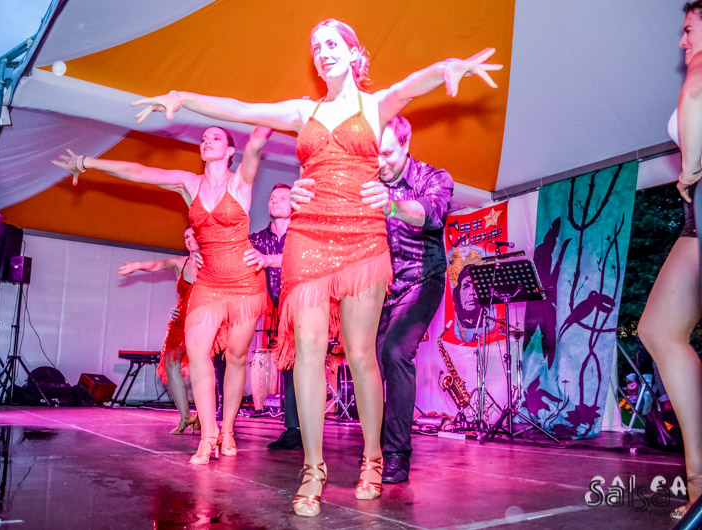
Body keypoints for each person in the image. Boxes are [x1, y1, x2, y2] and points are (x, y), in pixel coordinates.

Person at [130, 19, 499, 516]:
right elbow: (242, 109)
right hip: (308, 236)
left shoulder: (375, 104)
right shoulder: (305, 110)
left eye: (331, 43)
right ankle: (313, 469)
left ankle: (373, 458)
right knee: (306, 352)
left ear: (353, 53)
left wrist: (448, 67)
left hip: (362, 237)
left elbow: (415, 84)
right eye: (315, 46)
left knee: (361, 354)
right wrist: (183, 97)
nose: (323, 52)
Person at [52, 125, 271, 465]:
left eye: (216, 138)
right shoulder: (189, 184)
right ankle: (208, 434)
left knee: (237, 356)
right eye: (204, 138)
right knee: (197, 354)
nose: (206, 141)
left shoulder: (240, 181)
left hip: (245, 281)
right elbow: (140, 172)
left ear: (230, 151)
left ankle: (228, 430)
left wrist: (266, 124)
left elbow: (255, 145)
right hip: (208, 282)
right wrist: (87, 162)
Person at [293, 115, 453, 484]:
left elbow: (432, 214)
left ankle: (396, 454)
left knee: (395, 352)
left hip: (421, 281)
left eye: (387, 153)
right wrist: (302, 192)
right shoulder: (363, 178)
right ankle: (374, 450)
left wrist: (392, 206)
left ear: (406, 144)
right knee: (366, 359)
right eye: (374, 154)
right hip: (377, 287)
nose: (379, 163)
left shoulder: (432, 178)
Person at [638, 1, 702, 517]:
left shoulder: (701, 66)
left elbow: (695, 99)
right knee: (658, 328)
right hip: (694, 217)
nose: (683, 42)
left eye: (689, 29)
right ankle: (698, 481)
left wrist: (691, 168)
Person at [116, 226, 200, 435]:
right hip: (179, 321)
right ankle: (185, 417)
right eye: (186, 237)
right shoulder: (180, 263)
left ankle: (203, 416)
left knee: (201, 367)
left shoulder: (213, 264)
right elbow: (157, 264)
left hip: (203, 322)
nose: (189, 239)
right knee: (171, 364)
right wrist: (137, 265)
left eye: (193, 235)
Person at [244, 183, 303, 450]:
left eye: (282, 197)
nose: (275, 201)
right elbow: (235, 251)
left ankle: (306, 429)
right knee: (289, 367)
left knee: (305, 366)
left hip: (308, 306)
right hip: (283, 311)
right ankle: (294, 430)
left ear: (294, 204)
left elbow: (299, 259)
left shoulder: (301, 234)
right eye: (272, 198)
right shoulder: (258, 239)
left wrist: (268, 260)